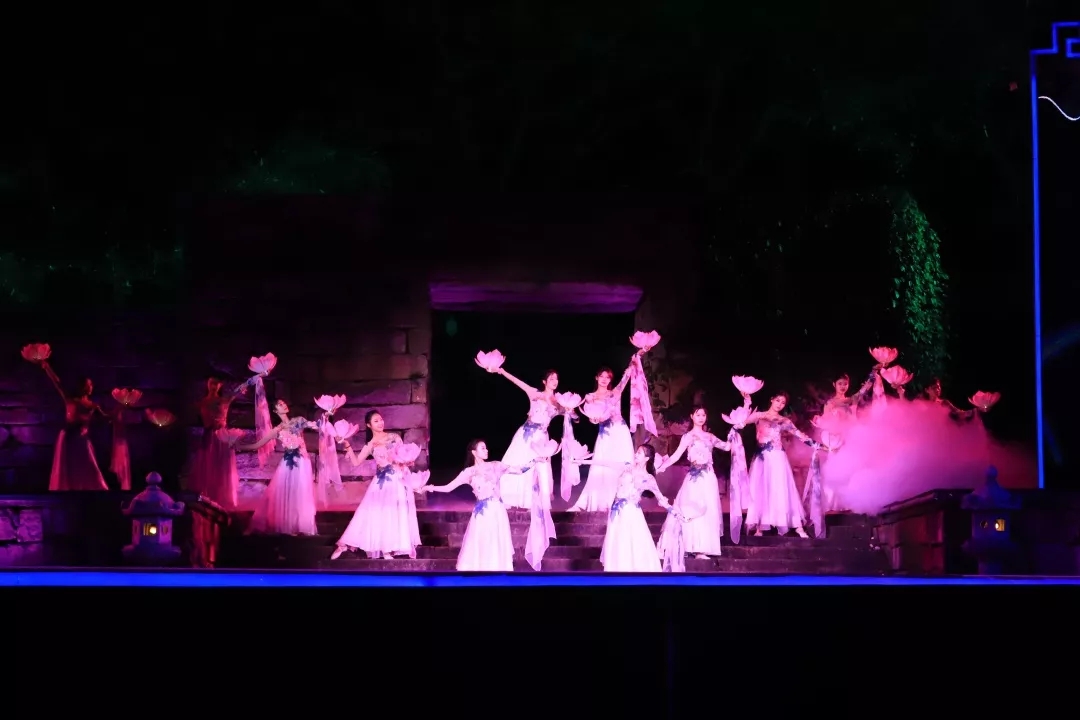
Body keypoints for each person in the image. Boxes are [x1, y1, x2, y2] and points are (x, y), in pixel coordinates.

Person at [420, 439, 535, 571]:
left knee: (496, 539)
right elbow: (448, 487)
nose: (486, 450)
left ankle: (497, 568)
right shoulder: (469, 472)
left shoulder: (496, 465)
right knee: (482, 539)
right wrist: (429, 487)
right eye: (483, 448)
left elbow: (519, 470)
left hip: (497, 510)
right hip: (482, 513)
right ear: (474, 452)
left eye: (486, 448)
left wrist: (535, 461)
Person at [238, 399, 318, 535]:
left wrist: (326, 416)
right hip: (288, 464)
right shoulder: (277, 430)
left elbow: (314, 425)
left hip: (303, 463)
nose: (284, 405)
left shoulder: (298, 420)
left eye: (284, 403)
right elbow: (257, 445)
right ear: (275, 411)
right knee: (288, 494)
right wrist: (239, 446)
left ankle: (301, 525)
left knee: (302, 494)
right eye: (280, 405)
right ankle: (288, 526)